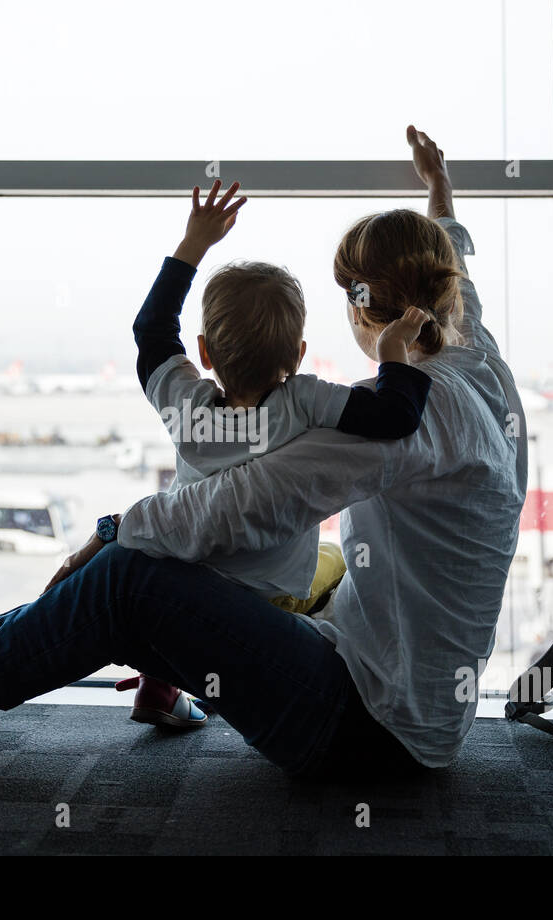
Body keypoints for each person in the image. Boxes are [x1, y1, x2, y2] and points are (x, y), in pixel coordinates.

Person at [0, 125, 528, 781]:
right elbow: (461, 290)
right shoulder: (476, 368)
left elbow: (243, 504)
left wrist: (114, 530)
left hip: (373, 728)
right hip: (398, 696)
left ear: (369, 307)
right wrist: (442, 197)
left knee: (127, 579)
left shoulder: (408, 421)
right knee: (147, 571)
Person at [117, 177, 437, 728]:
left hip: (185, 579)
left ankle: (160, 682)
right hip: (264, 602)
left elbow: (151, 329)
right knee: (336, 563)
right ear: (299, 353)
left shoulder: (184, 406)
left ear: (204, 354)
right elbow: (398, 417)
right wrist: (392, 353)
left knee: (181, 552)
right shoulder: (303, 400)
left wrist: (193, 244)